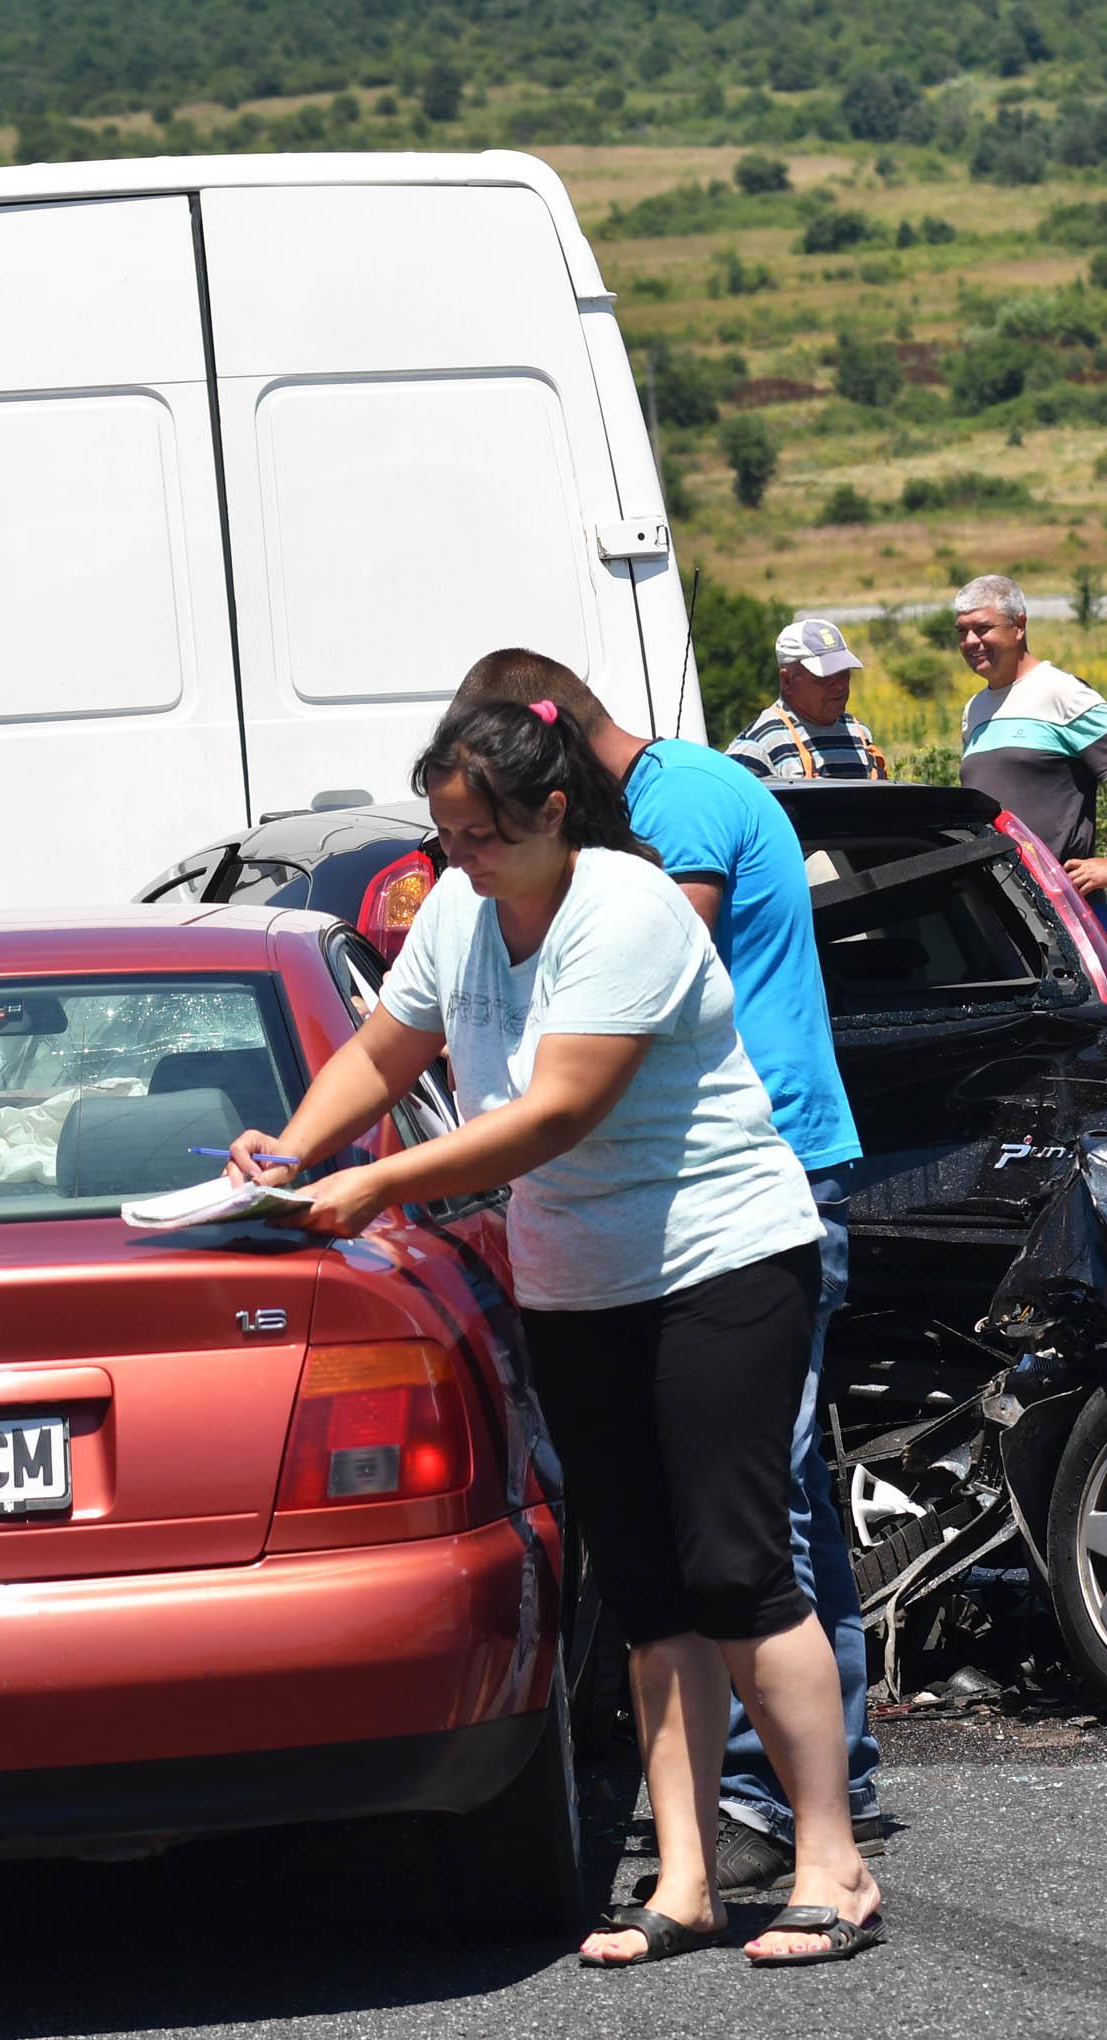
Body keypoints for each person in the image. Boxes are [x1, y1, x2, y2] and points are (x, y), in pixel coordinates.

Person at [228, 697, 881, 1966]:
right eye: (442, 837)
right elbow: (384, 1046)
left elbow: (558, 1112)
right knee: (642, 1586)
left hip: (719, 1261)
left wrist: (377, 1183)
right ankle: (683, 1882)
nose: (454, 863)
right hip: (578, 1279)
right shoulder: (466, 913)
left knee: (737, 1564)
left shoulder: (627, 909)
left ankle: (830, 1864)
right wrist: (296, 1146)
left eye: (477, 837)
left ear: (553, 816)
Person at [450, 651, 881, 1887]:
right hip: (703, 1200)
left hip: (737, 1193)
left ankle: (781, 1809)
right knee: (753, 1527)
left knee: (745, 1544)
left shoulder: (665, 826)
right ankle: (794, 1788)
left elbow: (614, 1014)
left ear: (558, 766)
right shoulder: (693, 786)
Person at [952, 573, 1107, 924]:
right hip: (997, 904)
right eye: (962, 631)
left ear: (1019, 626)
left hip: (1063, 911)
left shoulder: (1060, 692)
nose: (972, 641)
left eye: (983, 628)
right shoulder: (975, 709)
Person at [732, 618, 892, 781]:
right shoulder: (759, 745)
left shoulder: (859, 734)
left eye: (843, 674)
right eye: (825, 677)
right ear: (787, 680)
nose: (839, 686)